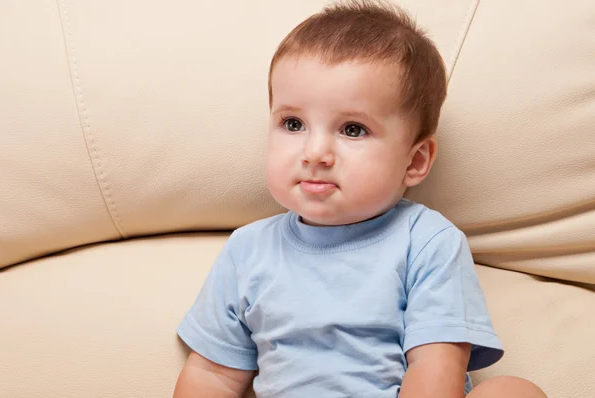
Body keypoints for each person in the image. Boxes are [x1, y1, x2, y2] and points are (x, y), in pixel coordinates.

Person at [173, 1, 547, 397]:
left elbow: (437, 364)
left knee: (512, 391)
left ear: (414, 161)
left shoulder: (427, 241)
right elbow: (212, 375)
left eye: (353, 129)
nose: (315, 152)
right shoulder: (247, 250)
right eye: (293, 123)